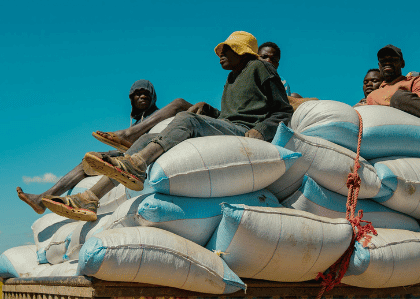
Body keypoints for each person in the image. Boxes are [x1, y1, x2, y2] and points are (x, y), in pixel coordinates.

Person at [41, 31, 294, 221]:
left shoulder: (260, 68)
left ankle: (138, 166)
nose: (220, 55)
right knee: (147, 138)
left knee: (185, 118)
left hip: (245, 132)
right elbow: (232, 114)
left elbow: (283, 110)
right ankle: (91, 197)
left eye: (226, 50)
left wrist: (262, 129)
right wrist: (209, 109)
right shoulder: (231, 79)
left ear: (241, 50)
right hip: (229, 127)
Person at [16, 80, 192, 215]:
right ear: (131, 99)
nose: (142, 96)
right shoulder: (136, 121)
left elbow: (182, 114)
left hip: (145, 151)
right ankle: (43, 198)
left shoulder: (161, 114)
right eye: (137, 94)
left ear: (153, 97)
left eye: (146, 94)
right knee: (88, 160)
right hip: (127, 151)